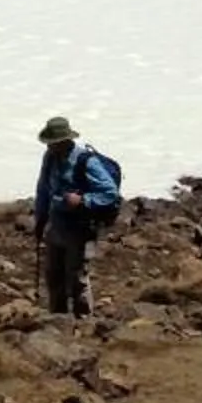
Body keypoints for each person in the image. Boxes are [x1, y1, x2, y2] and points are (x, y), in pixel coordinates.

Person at [33, 114, 121, 319]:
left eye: (53, 143)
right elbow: (43, 189)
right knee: (54, 275)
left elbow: (109, 193)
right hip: (57, 225)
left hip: (79, 228)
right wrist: (40, 219)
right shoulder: (50, 158)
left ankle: (84, 321)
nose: (50, 147)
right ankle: (58, 319)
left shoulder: (86, 162)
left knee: (77, 278)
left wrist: (83, 201)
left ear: (65, 140)